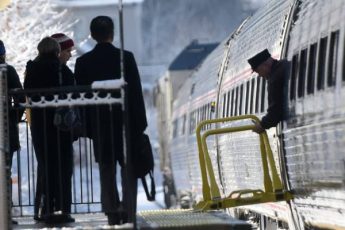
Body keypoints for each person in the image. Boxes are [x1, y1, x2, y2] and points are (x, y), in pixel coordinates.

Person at [74, 15, 147, 225]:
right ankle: (128, 210)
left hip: (100, 125)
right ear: (112, 34)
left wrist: (88, 128)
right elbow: (136, 94)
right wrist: (139, 124)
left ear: (92, 35)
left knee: (106, 168)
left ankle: (111, 210)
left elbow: (82, 98)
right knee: (127, 168)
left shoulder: (83, 62)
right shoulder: (126, 58)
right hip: (125, 124)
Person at [24, 37, 75, 224]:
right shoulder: (61, 68)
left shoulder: (32, 68)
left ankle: (45, 209)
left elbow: (27, 91)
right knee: (63, 166)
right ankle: (62, 209)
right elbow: (73, 88)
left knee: (46, 166)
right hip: (60, 124)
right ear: (56, 51)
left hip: (40, 125)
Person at [0, 40, 24, 225]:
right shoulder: (8, 71)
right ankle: (6, 211)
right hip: (6, 130)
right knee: (5, 170)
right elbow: (20, 97)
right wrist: (13, 116)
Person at [247, 49, 288, 133]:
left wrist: (262, 125)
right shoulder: (285, 64)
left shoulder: (274, 78)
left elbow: (275, 111)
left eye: (258, 71)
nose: (259, 75)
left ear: (265, 65)